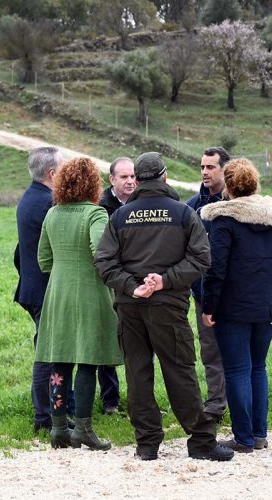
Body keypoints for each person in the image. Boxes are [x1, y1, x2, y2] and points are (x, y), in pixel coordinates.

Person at [94, 152, 234, 462]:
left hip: (130, 306)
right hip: (169, 307)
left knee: (137, 373)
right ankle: (200, 441)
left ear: (138, 180)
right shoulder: (184, 213)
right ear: (165, 177)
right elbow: (201, 258)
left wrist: (133, 286)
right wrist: (165, 281)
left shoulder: (119, 216)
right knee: (180, 371)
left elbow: (103, 261)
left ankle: (147, 444)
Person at [200, 158, 272, 453]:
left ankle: (244, 438)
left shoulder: (224, 219)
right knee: (258, 367)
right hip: (268, 304)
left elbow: (217, 267)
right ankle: (259, 433)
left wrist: (208, 305)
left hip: (234, 306)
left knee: (237, 370)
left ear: (228, 184)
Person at [36, 157, 122, 450]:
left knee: (60, 360)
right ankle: (83, 429)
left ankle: (59, 429)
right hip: (89, 294)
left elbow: (43, 261)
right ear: (92, 184)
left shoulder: (52, 215)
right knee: (87, 359)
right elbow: (101, 253)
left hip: (58, 294)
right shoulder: (96, 215)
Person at [14, 146, 72, 435]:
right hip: (45, 290)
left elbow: (18, 253)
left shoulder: (30, 198)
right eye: (64, 168)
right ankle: (45, 416)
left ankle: (57, 411)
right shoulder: (48, 203)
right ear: (52, 173)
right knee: (47, 354)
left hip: (35, 287)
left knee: (51, 349)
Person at [186, 147, 231, 424]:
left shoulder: (235, 204)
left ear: (225, 169)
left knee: (238, 351)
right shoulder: (193, 206)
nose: (204, 171)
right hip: (203, 291)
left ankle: (242, 403)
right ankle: (215, 405)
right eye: (202, 166)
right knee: (210, 350)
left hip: (234, 292)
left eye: (211, 167)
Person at [96, 156, 135, 415]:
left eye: (133, 176)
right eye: (124, 177)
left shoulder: (141, 203)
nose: (130, 181)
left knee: (138, 343)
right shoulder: (102, 207)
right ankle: (110, 401)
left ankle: (138, 400)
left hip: (136, 279)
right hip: (110, 280)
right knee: (107, 338)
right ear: (112, 180)